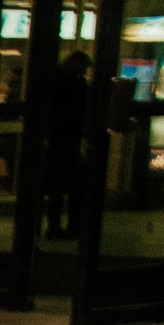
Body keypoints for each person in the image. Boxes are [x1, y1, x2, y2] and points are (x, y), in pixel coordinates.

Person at [41, 51, 93, 242]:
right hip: (69, 141)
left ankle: (54, 227)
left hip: (56, 141)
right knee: (76, 186)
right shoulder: (78, 85)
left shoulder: (53, 81)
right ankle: (73, 226)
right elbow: (81, 112)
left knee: (56, 188)